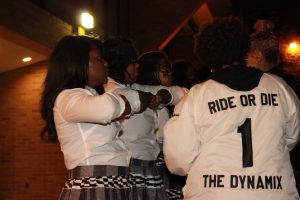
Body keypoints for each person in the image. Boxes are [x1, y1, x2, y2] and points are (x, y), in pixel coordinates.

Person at [163, 17, 300, 200]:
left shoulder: (196, 96)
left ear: (205, 55)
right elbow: (291, 136)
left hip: (214, 193)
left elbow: (177, 160)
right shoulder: (279, 87)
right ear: (244, 48)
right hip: (273, 191)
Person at [40, 35, 149, 200]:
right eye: (99, 58)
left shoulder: (88, 95)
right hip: (94, 185)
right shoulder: (67, 98)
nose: (106, 63)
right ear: (78, 62)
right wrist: (133, 101)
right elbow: (108, 108)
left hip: (112, 182)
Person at [102, 39, 187, 200]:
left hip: (149, 169)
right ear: (119, 65)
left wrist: (163, 96)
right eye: (132, 62)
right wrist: (151, 99)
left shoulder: (134, 87)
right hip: (129, 170)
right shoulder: (109, 91)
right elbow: (131, 98)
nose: (137, 66)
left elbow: (182, 93)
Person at [247, 25, 300, 195]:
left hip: (276, 165)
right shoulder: (288, 82)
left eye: (247, 56)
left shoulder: (264, 85)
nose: (245, 61)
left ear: (258, 55)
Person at [137, 51, 189, 200]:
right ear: (149, 71)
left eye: (169, 69)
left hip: (164, 161)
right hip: (151, 162)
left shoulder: (166, 96)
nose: (169, 73)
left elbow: (182, 92)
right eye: (164, 69)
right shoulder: (139, 92)